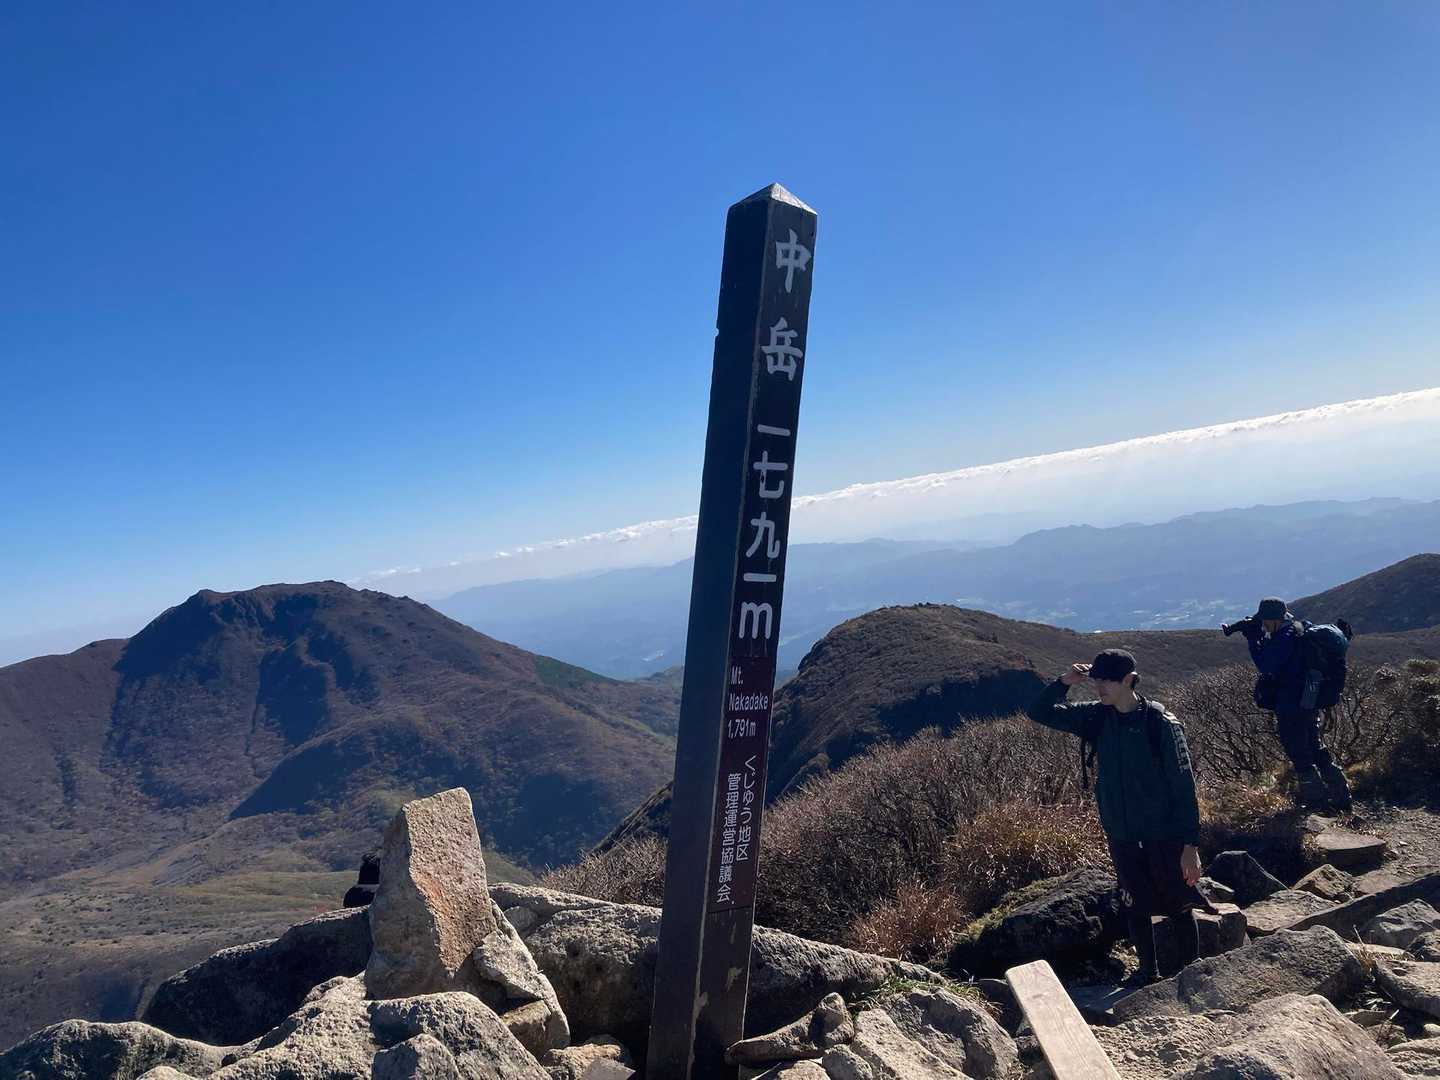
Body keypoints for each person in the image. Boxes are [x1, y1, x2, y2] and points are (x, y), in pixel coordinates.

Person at [1026, 648, 1207, 984]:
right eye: (1096, 680)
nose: (1099, 687)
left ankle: (1192, 974)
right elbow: (1038, 712)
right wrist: (1064, 682)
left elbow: (1184, 787)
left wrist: (1190, 845)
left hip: (1162, 832)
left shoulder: (1160, 725)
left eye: (1107, 681)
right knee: (1133, 902)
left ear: (1129, 680)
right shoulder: (1096, 717)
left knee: (1178, 902)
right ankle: (1147, 974)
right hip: (1121, 831)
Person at [1228, 597, 1352, 813]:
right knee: (1315, 747)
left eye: (1265, 621)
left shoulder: (1284, 637)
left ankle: (1316, 803)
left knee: (1298, 752)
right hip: (1309, 700)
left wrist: (1253, 640)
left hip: (1291, 703)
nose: (1263, 625)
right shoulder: (1299, 629)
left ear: (1275, 619)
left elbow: (1267, 665)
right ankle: (1341, 796)